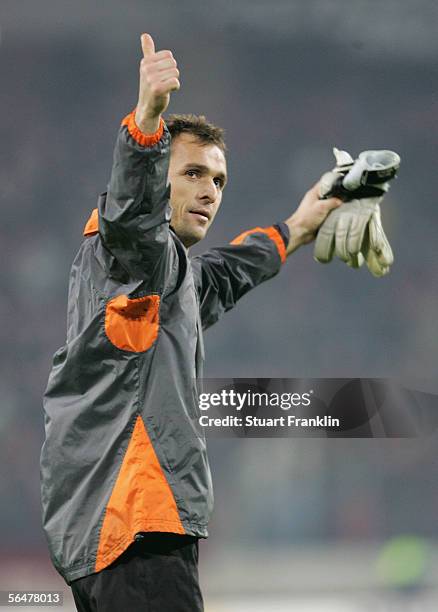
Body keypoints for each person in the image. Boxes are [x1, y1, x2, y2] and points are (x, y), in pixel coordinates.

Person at [40, 33, 342, 611]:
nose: (210, 192)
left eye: (219, 181)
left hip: (107, 537)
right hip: (138, 526)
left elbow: (226, 273)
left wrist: (302, 223)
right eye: (194, 174)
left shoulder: (162, 280)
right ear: (159, 180)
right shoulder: (127, 250)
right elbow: (129, 212)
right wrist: (148, 121)